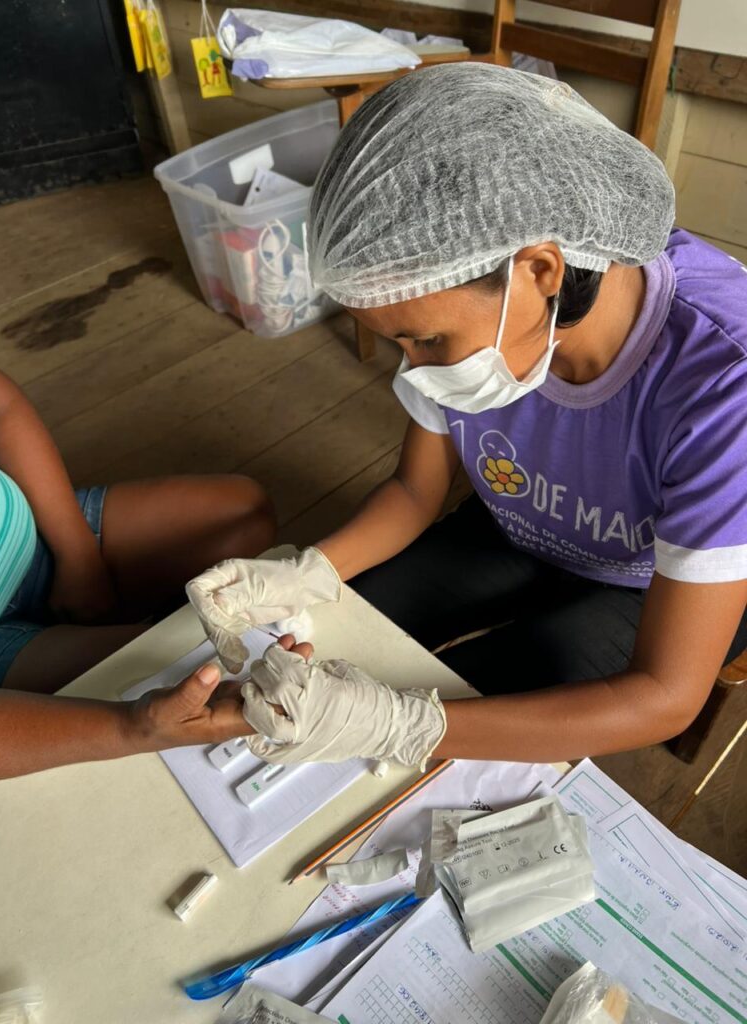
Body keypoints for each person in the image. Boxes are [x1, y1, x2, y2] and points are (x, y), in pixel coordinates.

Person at [188, 63, 747, 770]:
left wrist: (401, 726)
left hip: (651, 580)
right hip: (521, 521)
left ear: (540, 271)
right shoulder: (478, 303)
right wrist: (311, 571)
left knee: (487, 696)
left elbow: (666, 695)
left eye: (424, 340)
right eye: (399, 343)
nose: (414, 367)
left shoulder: (725, 386)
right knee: (350, 624)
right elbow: (414, 489)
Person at [0, 353, 275, 779]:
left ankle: (122, 625)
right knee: (188, 672)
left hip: (27, 534)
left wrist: (79, 556)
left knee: (244, 517)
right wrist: (129, 727)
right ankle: (130, 633)